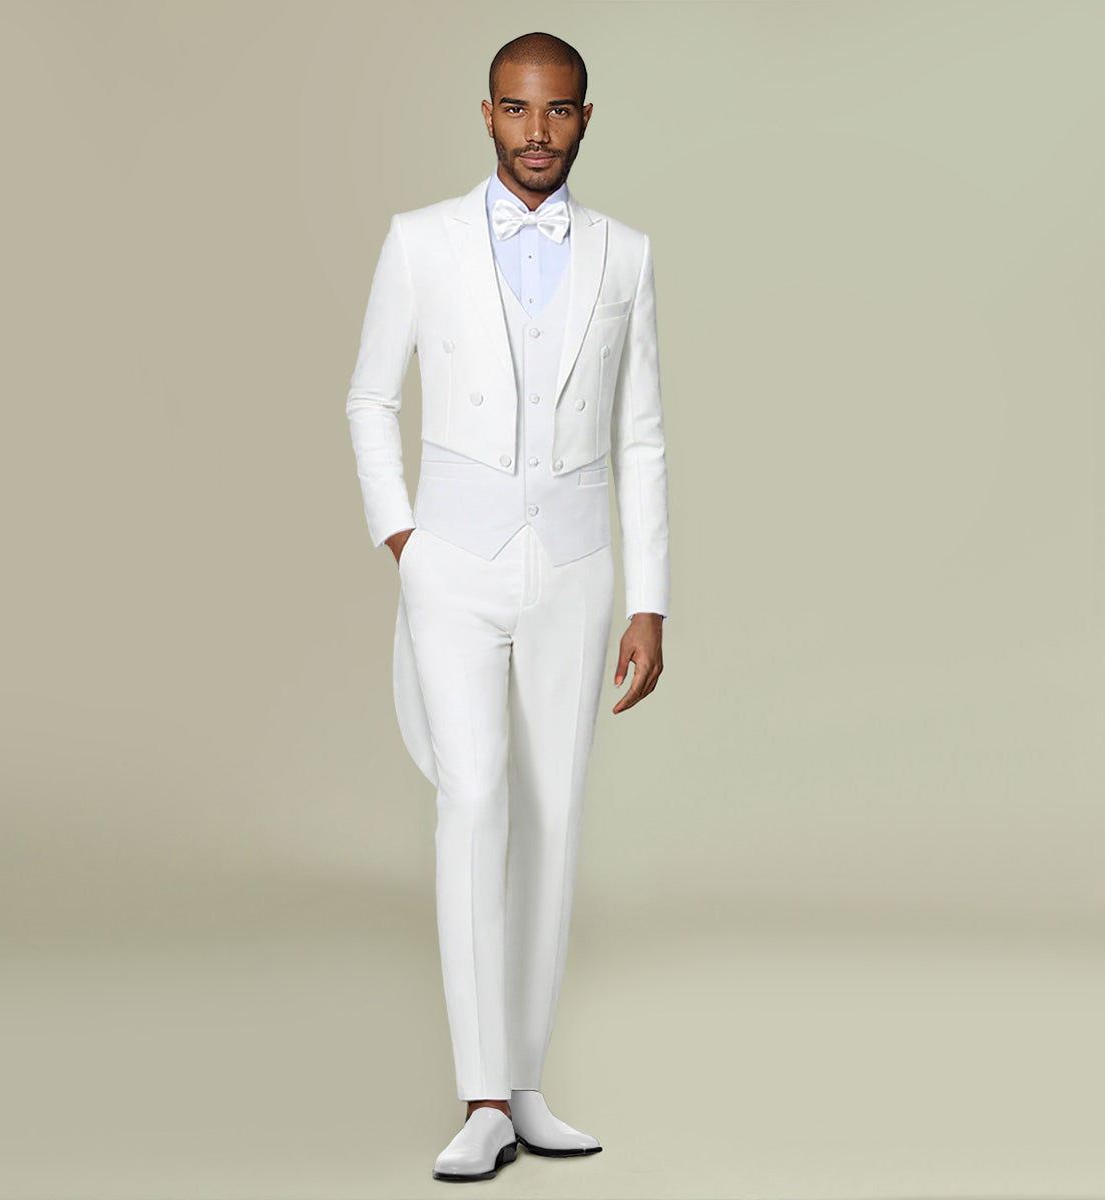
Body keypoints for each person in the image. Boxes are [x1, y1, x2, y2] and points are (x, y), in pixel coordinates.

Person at [345, 30, 670, 1183]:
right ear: (487, 114)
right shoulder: (419, 240)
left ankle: (524, 1081)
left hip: (577, 568)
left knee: (554, 814)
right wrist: (406, 539)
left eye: (560, 111)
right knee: (473, 800)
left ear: (586, 118)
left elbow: (642, 436)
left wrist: (651, 601)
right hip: (455, 564)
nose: (540, 132)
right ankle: (481, 1095)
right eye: (519, 110)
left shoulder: (626, 254)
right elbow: (369, 398)